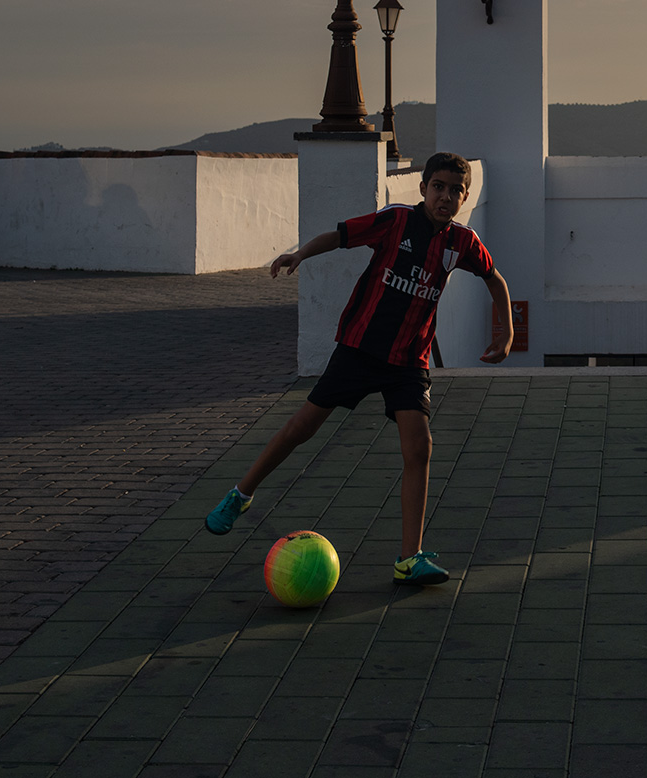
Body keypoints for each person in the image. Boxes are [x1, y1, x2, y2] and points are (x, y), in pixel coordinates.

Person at [201, 152, 513, 586]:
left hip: (408, 361)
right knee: (302, 426)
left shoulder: (462, 242)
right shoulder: (396, 222)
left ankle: (410, 558)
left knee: (419, 447)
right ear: (423, 189)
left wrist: (506, 331)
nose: (445, 196)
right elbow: (339, 236)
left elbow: (494, 278)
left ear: (463, 197)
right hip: (360, 349)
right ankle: (241, 494)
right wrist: (301, 254)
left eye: (455, 190)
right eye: (437, 187)